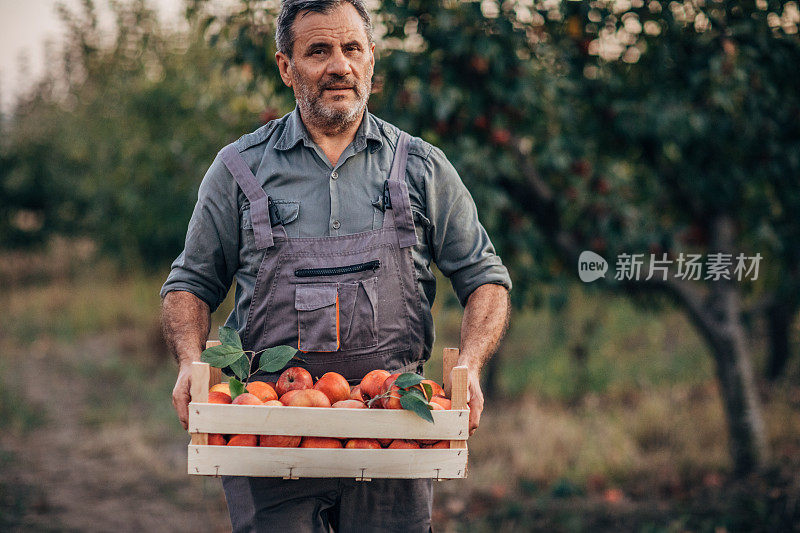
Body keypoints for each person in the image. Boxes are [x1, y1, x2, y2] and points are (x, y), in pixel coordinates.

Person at [160, 0, 511, 530]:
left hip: (394, 423)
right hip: (269, 428)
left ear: (371, 59)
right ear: (285, 67)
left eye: (352, 49)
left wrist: (471, 365)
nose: (339, 66)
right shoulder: (238, 169)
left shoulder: (420, 167)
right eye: (318, 51)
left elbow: (484, 277)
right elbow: (190, 283)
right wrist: (191, 361)